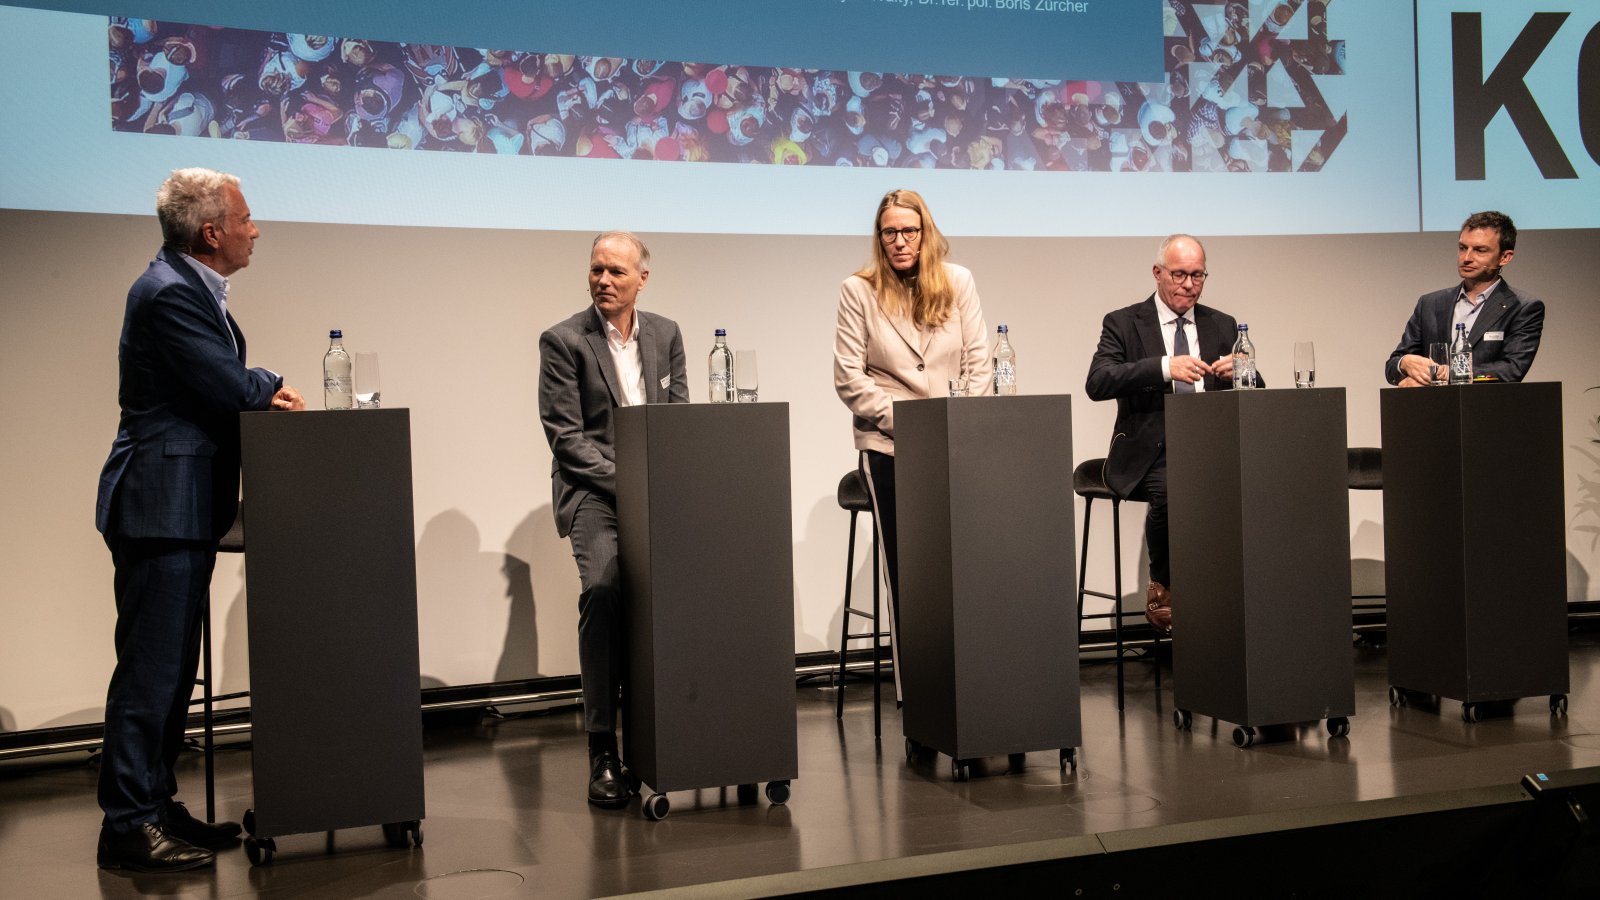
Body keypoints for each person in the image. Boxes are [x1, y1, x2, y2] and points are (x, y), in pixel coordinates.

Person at [95, 168, 305, 873]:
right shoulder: (166, 295)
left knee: (174, 672)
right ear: (211, 231)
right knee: (150, 676)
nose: (255, 228)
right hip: (159, 506)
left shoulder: (187, 289)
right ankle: (128, 823)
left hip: (181, 509)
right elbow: (224, 384)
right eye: (245, 218)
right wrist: (271, 385)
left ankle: (155, 805)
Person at [538, 232, 688, 808]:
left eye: (616, 272)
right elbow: (567, 440)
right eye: (596, 269)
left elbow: (675, 420)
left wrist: (662, 484)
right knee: (603, 588)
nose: (603, 280)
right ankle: (602, 749)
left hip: (656, 493)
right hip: (594, 494)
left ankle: (671, 732)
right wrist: (631, 482)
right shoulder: (562, 341)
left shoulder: (666, 334)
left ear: (641, 280)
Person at [832, 189, 992, 662]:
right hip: (890, 444)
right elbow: (849, 378)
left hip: (956, 440)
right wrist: (912, 424)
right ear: (879, 239)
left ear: (926, 233)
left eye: (909, 231)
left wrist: (954, 421)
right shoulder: (857, 290)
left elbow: (979, 362)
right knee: (910, 571)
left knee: (965, 564)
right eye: (889, 233)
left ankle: (970, 672)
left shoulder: (958, 281)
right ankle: (917, 692)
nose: (900, 241)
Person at [1085, 234, 1257, 636]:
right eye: (1179, 274)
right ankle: (1166, 590)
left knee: (1251, 484)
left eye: (1198, 276)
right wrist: (1164, 368)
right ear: (1158, 273)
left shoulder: (1223, 324)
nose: (1188, 284)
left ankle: (1237, 597)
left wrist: (1244, 374)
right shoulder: (1124, 322)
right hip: (1149, 452)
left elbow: (1255, 388)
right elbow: (1098, 381)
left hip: (1211, 446)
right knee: (1173, 487)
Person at [1385, 211, 1543, 386]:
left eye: (1480, 250)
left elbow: (1511, 370)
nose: (1466, 258)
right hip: (1432, 409)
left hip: (1486, 408)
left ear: (1505, 257)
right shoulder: (1430, 304)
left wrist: (1444, 374)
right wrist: (1405, 364)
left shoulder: (1522, 307)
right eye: (1462, 248)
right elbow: (1392, 367)